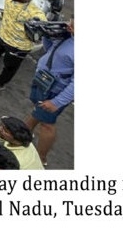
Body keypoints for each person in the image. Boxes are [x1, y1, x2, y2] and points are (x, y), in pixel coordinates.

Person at [24, 18, 74, 166]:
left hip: (54, 91)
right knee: (37, 109)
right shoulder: (67, 36)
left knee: (47, 124)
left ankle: (40, 158)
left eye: (73, 24)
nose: (69, 25)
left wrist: (57, 102)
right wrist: (46, 35)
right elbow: (50, 50)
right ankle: (23, 134)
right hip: (42, 81)